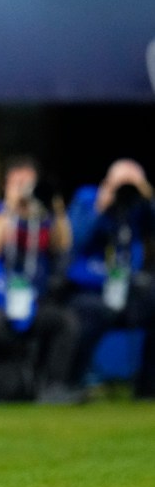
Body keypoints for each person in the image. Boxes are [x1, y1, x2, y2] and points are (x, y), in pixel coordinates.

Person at [0, 157, 79, 401]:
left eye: (28, 182)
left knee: (66, 322)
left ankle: (52, 387)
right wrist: (11, 209)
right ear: (5, 185)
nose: (23, 189)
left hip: (32, 300)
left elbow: (63, 243)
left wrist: (56, 208)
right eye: (17, 182)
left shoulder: (43, 217)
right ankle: (10, 381)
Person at [66, 159, 155, 398]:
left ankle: (148, 386)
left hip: (127, 288)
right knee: (92, 312)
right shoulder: (88, 198)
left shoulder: (138, 206)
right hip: (88, 289)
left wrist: (147, 196)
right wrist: (100, 207)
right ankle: (73, 382)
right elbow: (74, 241)